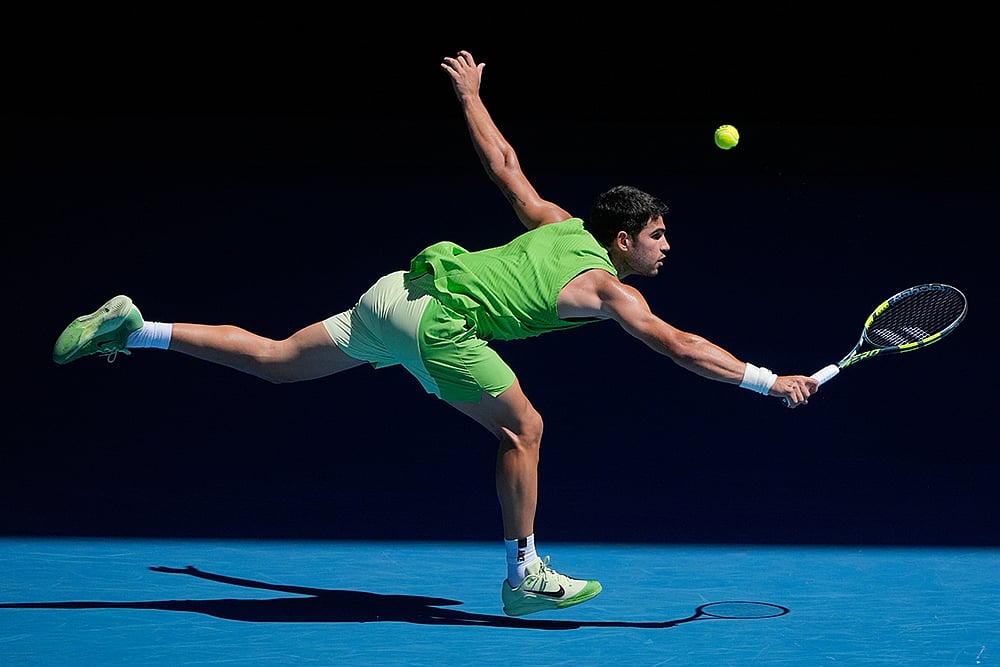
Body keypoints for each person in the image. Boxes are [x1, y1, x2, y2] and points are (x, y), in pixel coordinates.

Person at [52, 50, 820, 617]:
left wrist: (472, 95)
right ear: (621, 241)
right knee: (525, 427)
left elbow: (504, 164)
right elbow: (680, 345)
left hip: (401, 289)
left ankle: (137, 326)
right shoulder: (605, 288)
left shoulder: (559, 224)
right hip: (440, 323)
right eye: (656, 234)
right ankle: (524, 575)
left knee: (278, 361)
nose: (665, 245)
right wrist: (766, 378)